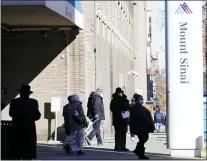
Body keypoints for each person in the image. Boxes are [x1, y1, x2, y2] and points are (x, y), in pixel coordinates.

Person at [9, 85, 41, 160]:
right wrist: (30, 118)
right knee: (28, 151)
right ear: (28, 94)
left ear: (20, 93)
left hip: (16, 128)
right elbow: (38, 115)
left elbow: (11, 114)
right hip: (29, 128)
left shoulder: (14, 102)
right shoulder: (34, 102)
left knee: (16, 150)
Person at [129, 94, 155, 159]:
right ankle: (140, 153)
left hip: (139, 126)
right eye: (141, 99)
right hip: (140, 127)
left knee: (143, 139)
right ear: (138, 100)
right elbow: (143, 117)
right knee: (143, 138)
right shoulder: (138, 108)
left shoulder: (137, 107)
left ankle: (139, 152)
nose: (142, 100)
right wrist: (150, 123)